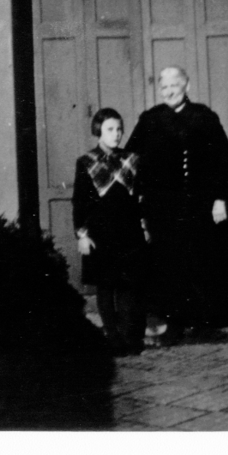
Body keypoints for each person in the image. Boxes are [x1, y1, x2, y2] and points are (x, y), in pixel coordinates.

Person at [125, 67, 228, 343]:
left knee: (201, 264)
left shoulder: (204, 117)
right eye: (164, 87)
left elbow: (226, 161)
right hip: (163, 209)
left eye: (174, 85)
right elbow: (131, 160)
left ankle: (202, 324)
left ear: (186, 84)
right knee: (168, 266)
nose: (168, 91)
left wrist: (221, 199)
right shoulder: (150, 119)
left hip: (200, 207)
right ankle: (174, 324)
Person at [72, 108, 147, 356]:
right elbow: (79, 202)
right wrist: (82, 235)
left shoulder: (131, 160)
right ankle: (113, 338)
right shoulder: (86, 162)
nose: (116, 135)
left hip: (128, 233)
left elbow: (141, 198)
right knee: (105, 287)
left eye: (119, 129)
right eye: (110, 130)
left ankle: (128, 337)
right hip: (100, 235)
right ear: (98, 132)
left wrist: (145, 227)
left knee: (128, 286)